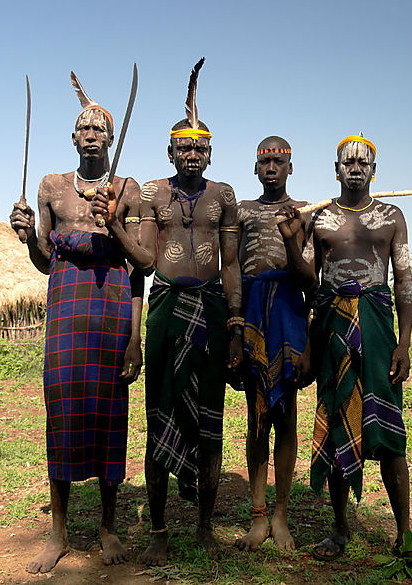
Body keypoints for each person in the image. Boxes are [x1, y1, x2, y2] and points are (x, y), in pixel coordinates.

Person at [10, 77, 151, 574]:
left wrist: (135, 338)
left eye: (99, 128)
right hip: (67, 312)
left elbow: (143, 267)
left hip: (113, 313)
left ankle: (108, 527)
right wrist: (29, 236)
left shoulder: (127, 191)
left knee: (112, 415)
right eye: (83, 127)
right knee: (63, 416)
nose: (91, 133)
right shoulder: (51, 187)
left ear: (110, 139)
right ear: (73, 138)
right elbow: (46, 260)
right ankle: (59, 531)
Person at [300, 134, 412, 562]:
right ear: (336, 169)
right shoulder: (319, 220)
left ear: (374, 170)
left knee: (390, 434)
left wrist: (404, 343)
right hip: (332, 327)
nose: (355, 168)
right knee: (338, 418)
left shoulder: (391, 216)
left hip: (376, 327)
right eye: (348, 162)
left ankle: (404, 533)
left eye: (363, 162)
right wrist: (288, 240)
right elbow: (307, 284)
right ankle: (339, 530)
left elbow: (404, 280)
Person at [136, 79, 243, 565]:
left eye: (201, 148)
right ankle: (158, 528)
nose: (193, 155)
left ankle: (203, 525)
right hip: (164, 309)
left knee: (208, 419)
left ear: (211, 154)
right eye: (184, 148)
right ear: (170, 152)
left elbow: (233, 262)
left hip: (211, 309)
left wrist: (236, 324)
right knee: (160, 414)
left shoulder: (224, 195)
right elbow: (140, 260)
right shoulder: (152, 193)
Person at [233, 137, 315, 552]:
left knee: (286, 414)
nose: (270, 168)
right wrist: (233, 327)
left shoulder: (305, 213)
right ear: (255, 168)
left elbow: (309, 279)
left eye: (278, 161)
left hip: (288, 312)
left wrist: (291, 237)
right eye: (264, 161)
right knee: (256, 415)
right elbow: (230, 266)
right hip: (251, 311)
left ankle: (281, 515)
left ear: (289, 168)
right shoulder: (242, 211)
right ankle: (258, 514)